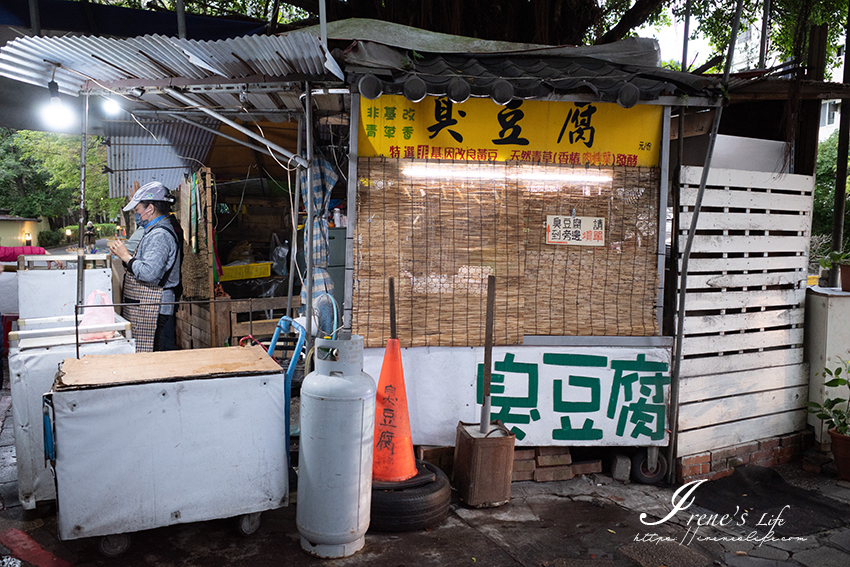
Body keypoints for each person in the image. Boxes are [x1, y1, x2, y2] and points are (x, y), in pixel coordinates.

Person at [108, 181, 183, 352]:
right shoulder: (153, 230)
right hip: (150, 306)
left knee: (159, 358)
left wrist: (125, 256)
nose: (137, 214)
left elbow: (149, 273)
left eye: (137, 209)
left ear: (150, 209)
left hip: (158, 310)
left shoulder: (159, 235)